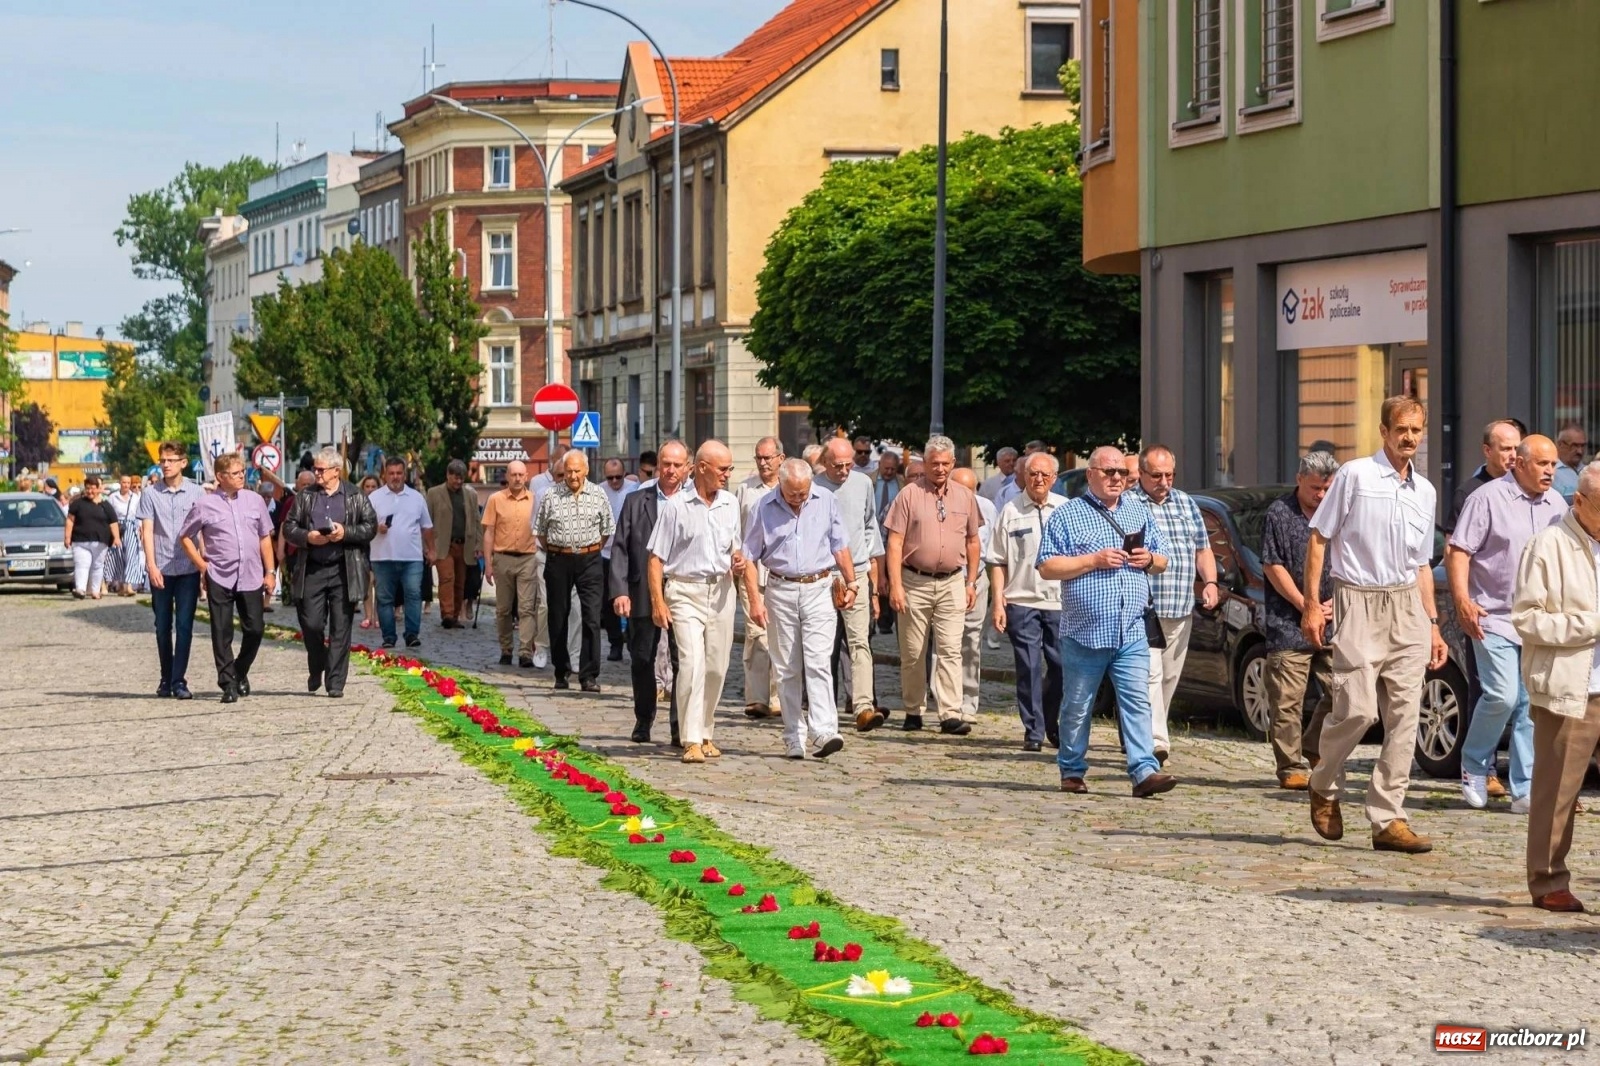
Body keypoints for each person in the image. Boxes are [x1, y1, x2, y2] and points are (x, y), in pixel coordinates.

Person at [1301, 396, 1447, 854]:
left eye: (1416, 430)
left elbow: (1422, 565)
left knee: (1405, 717)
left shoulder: (1425, 491)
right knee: (1359, 710)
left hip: (1408, 606)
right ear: (1383, 431)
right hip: (1358, 600)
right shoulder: (1356, 476)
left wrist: (1433, 624)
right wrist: (1311, 604)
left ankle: (1388, 817)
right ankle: (1323, 783)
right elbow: (1319, 538)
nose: (1409, 437)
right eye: (1401, 429)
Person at [1037, 446, 1176, 798]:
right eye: (1109, 472)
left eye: (1122, 474)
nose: (1117, 478)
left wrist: (1149, 560)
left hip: (1130, 629)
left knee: (1136, 702)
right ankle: (1071, 769)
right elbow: (1047, 566)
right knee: (1078, 705)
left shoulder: (1137, 510)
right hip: (1085, 632)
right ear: (1091, 475)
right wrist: (1093, 560)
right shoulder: (1068, 515)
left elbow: (1163, 560)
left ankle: (1144, 772)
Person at [1448, 434, 1566, 811]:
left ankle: (1525, 788)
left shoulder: (1557, 504)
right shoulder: (1486, 498)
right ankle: (1474, 764)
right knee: (1502, 694)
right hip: (1492, 616)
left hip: (1538, 622)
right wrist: (1463, 601)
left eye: (1554, 465)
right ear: (1519, 463)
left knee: (1531, 704)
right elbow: (1458, 551)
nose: (1551, 471)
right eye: (1543, 464)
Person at [1513, 461, 1600, 912]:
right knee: (1557, 791)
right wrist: (1591, 625)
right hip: (1573, 688)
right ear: (1580, 502)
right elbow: (1527, 619)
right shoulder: (1547, 545)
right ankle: (1548, 882)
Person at [744, 458, 857, 759]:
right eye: (793, 493)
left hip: (819, 587)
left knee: (819, 660)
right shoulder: (763, 508)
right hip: (780, 589)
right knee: (787, 668)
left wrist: (852, 582)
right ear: (781, 484)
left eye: (803, 492)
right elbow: (748, 558)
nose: (799, 498)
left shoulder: (825, 500)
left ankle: (824, 731)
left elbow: (840, 544)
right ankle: (794, 734)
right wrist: (755, 600)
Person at [648, 439, 743, 765]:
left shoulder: (730, 504)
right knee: (691, 664)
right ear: (702, 467)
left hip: (720, 592)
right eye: (722, 468)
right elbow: (656, 558)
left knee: (716, 667)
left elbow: (736, 549)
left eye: (729, 468)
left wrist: (740, 562)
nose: (727, 475)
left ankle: (705, 731)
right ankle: (689, 740)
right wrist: (658, 601)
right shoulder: (676, 505)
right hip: (684, 592)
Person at [883, 435, 982, 736]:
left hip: (952, 580)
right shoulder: (909, 494)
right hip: (914, 580)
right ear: (924, 464)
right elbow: (895, 542)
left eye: (944, 463)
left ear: (953, 463)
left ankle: (950, 713)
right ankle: (913, 709)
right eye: (933, 463)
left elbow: (973, 540)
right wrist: (896, 585)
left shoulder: (965, 497)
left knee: (951, 649)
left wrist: (971, 582)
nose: (939, 469)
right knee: (913, 651)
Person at [1126, 444, 1219, 765]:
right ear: (1142, 474)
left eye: (1169, 475)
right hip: (1142, 608)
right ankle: (1155, 741)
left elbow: (1202, 549)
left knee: (1168, 678)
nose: (1164, 481)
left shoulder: (1186, 503)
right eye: (1156, 475)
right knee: (1148, 676)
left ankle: (1142, 733)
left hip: (1180, 606)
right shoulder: (1128, 503)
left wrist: (1210, 582)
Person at [1260, 451, 1340, 790]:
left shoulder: (1339, 511)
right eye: (1315, 489)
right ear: (1299, 481)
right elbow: (1272, 564)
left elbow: (1352, 560)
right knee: (1287, 699)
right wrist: (1305, 605)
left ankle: (1313, 744)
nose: (1321, 496)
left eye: (1326, 489)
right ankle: (1290, 765)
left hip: (1333, 619)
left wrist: (1335, 602)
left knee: (1344, 690)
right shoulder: (1280, 513)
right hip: (1288, 621)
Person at [177, 452, 275, 703]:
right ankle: (227, 683)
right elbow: (185, 537)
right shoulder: (205, 504)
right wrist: (202, 566)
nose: (241, 476)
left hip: (251, 575)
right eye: (235, 473)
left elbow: (265, 537)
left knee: (255, 628)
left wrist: (270, 571)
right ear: (220, 477)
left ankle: (239, 670)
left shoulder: (254, 500)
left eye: (242, 471)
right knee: (221, 631)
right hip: (219, 574)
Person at [988, 451, 1067, 752]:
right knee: (1029, 667)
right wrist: (998, 602)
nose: (1038, 480)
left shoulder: (1065, 509)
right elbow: (997, 560)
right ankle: (1033, 730)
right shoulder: (1010, 510)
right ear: (1024, 475)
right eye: (1033, 474)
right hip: (1021, 599)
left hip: (1060, 601)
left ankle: (1050, 719)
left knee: (1061, 667)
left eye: (1045, 475)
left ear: (1054, 479)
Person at [283, 447, 377, 697]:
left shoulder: (355, 496)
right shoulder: (305, 496)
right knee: (312, 625)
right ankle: (318, 664)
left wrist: (345, 532)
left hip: (343, 568)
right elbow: (289, 528)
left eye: (321, 469)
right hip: (312, 568)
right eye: (315, 468)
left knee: (340, 627)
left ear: (336, 471)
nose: (316, 473)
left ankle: (335, 682)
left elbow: (370, 527)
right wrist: (308, 537)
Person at [613, 441, 690, 744]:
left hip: (683, 589)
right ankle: (644, 719)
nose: (671, 470)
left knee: (682, 660)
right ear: (658, 465)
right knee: (642, 657)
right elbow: (620, 547)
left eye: (677, 465)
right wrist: (620, 590)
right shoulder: (636, 500)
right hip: (642, 590)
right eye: (666, 464)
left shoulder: (694, 500)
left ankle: (679, 725)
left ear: (687, 468)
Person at [818, 438, 886, 732]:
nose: (844, 470)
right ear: (825, 462)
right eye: (838, 466)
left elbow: (870, 525)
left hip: (856, 572)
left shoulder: (863, 484)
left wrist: (874, 573)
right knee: (823, 646)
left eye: (848, 465)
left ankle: (863, 707)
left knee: (860, 642)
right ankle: (823, 707)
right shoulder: (813, 486)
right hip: (823, 575)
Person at [536, 449, 615, 693]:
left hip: (590, 559)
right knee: (558, 615)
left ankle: (588, 675)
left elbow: (606, 529)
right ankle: (561, 671)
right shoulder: (550, 495)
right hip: (559, 558)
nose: (572, 475)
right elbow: (541, 531)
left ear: (586, 471)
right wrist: (561, 549)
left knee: (591, 617)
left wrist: (589, 549)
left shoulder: (598, 494)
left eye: (577, 471)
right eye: (568, 471)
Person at [139, 442, 206, 699]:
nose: (165, 464)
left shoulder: (197, 493)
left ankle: (179, 681)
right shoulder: (151, 493)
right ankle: (165, 677)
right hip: (162, 567)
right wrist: (151, 565)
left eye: (170, 460)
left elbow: (203, 530)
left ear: (183, 462)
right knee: (162, 626)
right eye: (162, 460)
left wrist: (203, 564)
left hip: (188, 568)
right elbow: (147, 530)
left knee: (185, 625)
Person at [735, 437, 785, 719]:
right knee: (755, 633)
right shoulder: (745, 489)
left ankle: (778, 696)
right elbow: (737, 529)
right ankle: (756, 698)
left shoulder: (789, 487)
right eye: (759, 458)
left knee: (779, 635)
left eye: (768, 458)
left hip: (782, 573)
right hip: (752, 571)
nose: (763, 463)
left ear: (781, 458)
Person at [946, 467, 996, 729]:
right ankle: (947, 702)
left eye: (971, 490)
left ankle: (968, 701)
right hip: (947, 576)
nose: (967, 496)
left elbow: (993, 547)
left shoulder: (987, 507)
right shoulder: (942, 503)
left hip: (976, 577)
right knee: (944, 641)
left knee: (971, 639)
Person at [370, 457, 436, 650]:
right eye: (391, 473)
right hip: (382, 557)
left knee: (414, 595)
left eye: (399, 473)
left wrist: (431, 549)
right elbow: (364, 525)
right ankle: (389, 636)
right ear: (385, 475)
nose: (395, 477)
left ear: (404, 475)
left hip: (411, 557)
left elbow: (427, 527)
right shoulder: (374, 498)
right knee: (384, 598)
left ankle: (412, 634)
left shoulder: (416, 497)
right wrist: (376, 528)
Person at [482, 459, 542, 668]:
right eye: (513, 475)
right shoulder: (495, 499)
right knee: (504, 609)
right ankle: (506, 649)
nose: (517, 479)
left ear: (526, 477)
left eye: (521, 475)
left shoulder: (535, 500)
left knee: (527, 608)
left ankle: (525, 651)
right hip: (503, 558)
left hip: (528, 558)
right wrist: (488, 564)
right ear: (507, 477)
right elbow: (489, 532)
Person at [426, 459, 481, 630]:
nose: (458, 481)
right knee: (447, 578)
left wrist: (478, 545)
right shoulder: (434, 493)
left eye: (461, 478)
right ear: (448, 475)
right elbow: (427, 520)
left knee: (460, 582)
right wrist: (427, 547)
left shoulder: (470, 494)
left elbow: (476, 521)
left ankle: (455, 615)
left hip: (464, 545)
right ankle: (447, 614)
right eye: (455, 478)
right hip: (443, 544)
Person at [1446, 419, 1523, 532]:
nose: (1513, 455)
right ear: (1487, 451)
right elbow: (1452, 545)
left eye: (1517, 448)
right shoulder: (1468, 493)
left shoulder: (1527, 489)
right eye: (1506, 449)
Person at [599, 457, 636, 660]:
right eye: (610, 478)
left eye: (618, 477)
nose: (614, 482)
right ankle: (615, 643)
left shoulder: (634, 488)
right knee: (609, 600)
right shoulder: (599, 490)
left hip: (630, 553)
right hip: (605, 552)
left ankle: (630, 637)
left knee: (632, 596)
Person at [65, 475, 120, 600]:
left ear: (98, 489)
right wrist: (67, 537)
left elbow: (113, 523)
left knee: (97, 566)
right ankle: (80, 589)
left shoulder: (105, 505)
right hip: (80, 541)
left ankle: (95, 591)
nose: (90, 491)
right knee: (82, 564)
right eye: (88, 488)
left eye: (93, 488)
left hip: (101, 542)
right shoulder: (77, 504)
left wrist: (116, 538)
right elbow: (70, 521)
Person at [871, 449, 903, 634]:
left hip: (893, 533)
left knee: (891, 576)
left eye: (893, 469)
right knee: (878, 577)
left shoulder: (902, 483)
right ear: (879, 465)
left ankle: (888, 618)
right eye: (886, 468)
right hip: (873, 531)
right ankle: (881, 619)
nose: (889, 472)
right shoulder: (870, 481)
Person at [105, 475, 139, 595]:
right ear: (120, 483)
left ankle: (128, 585)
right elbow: (108, 514)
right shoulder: (113, 497)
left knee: (131, 555)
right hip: (117, 527)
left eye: (128, 483)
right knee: (118, 555)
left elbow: (139, 515)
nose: (126, 485)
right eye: (124, 482)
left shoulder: (135, 497)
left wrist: (140, 529)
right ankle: (119, 584)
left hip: (131, 526)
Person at [355, 474, 381, 629]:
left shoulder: (383, 502)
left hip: (381, 546)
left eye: (373, 486)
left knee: (379, 583)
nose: (370, 489)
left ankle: (378, 616)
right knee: (367, 582)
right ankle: (368, 615)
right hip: (365, 546)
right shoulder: (358, 504)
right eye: (367, 486)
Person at [1555, 423, 1587, 503]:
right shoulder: (1551, 472)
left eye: (1582, 446)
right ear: (1560, 444)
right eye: (1574, 445)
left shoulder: (1589, 470)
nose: (1579, 451)